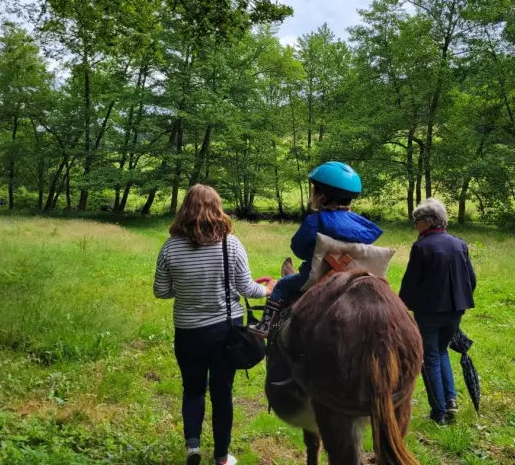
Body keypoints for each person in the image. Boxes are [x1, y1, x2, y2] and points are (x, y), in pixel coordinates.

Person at [153, 184, 275, 465]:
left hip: (188, 332)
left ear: (185, 209)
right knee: (222, 393)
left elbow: (161, 291)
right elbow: (246, 288)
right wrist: (267, 291)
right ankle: (221, 457)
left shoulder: (170, 247)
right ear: (216, 208)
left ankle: (193, 447)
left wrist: (187, 288)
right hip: (225, 332)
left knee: (193, 389)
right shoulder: (230, 243)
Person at [249, 161, 383, 338]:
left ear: (321, 195)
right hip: (354, 278)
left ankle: (265, 326)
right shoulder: (362, 224)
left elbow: (298, 249)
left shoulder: (315, 221)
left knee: (281, 285)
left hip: (318, 276)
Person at [398, 198, 476, 425]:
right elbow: (471, 280)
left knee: (429, 359)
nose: (415, 225)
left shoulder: (421, 246)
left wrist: (402, 307)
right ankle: (450, 402)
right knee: (441, 352)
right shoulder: (459, 244)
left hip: (429, 313)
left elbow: (411, 282)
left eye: (417, 220)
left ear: (430, 221)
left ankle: (438, 413)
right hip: (455, 311)